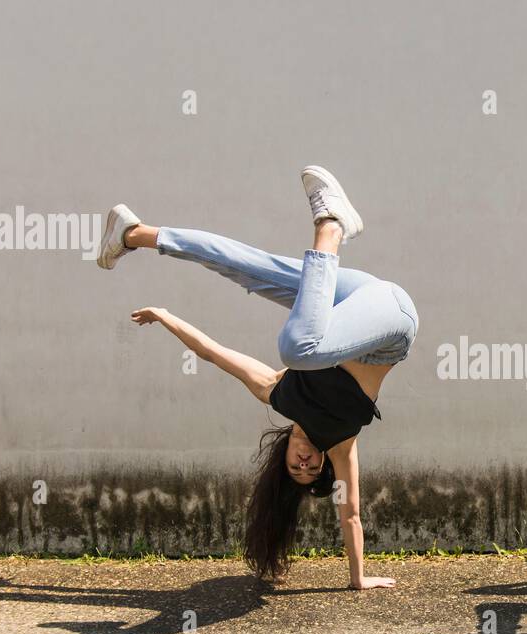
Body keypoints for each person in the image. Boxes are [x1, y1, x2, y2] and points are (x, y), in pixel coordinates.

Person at [96, 166, 418, 590]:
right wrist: (359, 578)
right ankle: (331, 225)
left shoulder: (274, 392)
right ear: (322, 462)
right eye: (310, 469)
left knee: (243, 267)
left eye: (295, 468)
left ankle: (134, 233)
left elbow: (213, 354)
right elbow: (352, 514)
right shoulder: (341, 445)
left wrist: (167, 317)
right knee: (297, 349)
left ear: (284, 456)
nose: (304, 464)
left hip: (355, 298)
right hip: (392, 325)